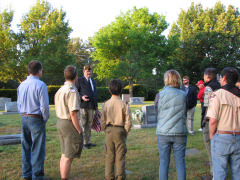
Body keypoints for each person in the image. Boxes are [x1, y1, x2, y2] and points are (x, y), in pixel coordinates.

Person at [17, 60, 49, 180]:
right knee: (38, 148)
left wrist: (23, 114)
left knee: (25, 146)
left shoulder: (21, 85)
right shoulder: (41, 85)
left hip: (24, 117)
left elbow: (19, 104)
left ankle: (26, 174)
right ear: (39, 71)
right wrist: (45, 119)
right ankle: (37, 176)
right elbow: (45, 106)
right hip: (36, 118)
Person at [206, 67, 240, 180]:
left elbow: (213, 120)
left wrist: (212, 136)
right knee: (237, 172)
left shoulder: (218, 94)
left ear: (223, 78)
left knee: (219, 173)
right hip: (238, 137)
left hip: (222, 136)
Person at [156, 70, 188, 180]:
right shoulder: (184, 95)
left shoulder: (159, 95)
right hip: (180, 132)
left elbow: (157, 112)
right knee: (180, 163)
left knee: (164, 163)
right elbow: (185, 111)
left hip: (163, 132)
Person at [55, 65, 83, 180]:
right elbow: (73, 113)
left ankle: (63, 176)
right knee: (69, 156)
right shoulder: (72, 90)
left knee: (64, 154)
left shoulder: (60, 89)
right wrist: (79, 129)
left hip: (60, 122)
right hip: (69, 123)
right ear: (76, 77)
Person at [101, 79, 132, 180]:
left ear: (109, 90)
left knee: (109, 156)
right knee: (120, 156)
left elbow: (102, 120)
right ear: (121, 90)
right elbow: (128, 121)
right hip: (120, 131)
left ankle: (109, 177)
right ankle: (120, 177)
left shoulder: (106, 104)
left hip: (109, 131)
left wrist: (105, 130)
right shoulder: (124, 104)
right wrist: (125, 131)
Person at [202, 68, 221, 178]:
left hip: (210, 120)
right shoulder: (220, 86)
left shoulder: (209, 88)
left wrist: (204, 121)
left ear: (207, 76)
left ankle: (213, 172)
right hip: (219, 119)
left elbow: (206, 106)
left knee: (209, 145)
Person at [76, 65, 97, 149]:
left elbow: (94, 94)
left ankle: (88, 141)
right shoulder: (79, 81)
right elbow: (76, 92)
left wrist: (96, 106)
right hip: (83, 106)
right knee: (83, 124)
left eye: (90, 71)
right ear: (83, 72)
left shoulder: (93, 81)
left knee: (89, 124)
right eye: (87, 71)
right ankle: (83, 142)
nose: (89, 72)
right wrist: (81, 97)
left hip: (91, 106)